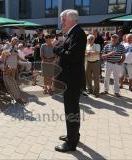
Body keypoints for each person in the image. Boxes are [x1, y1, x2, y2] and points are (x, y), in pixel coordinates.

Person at [53, 9, 87, 152]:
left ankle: (71, 143)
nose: (62, 22)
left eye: (63, 20)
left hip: (72, 80)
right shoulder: (73, 33)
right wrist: (59, 46)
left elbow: (71, 56)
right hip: (70, 79)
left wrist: (56, 48)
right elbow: (65, 48)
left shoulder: (78, 33)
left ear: (72, 19)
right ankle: (72, 135)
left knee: (71, 110)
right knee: (71, 110)